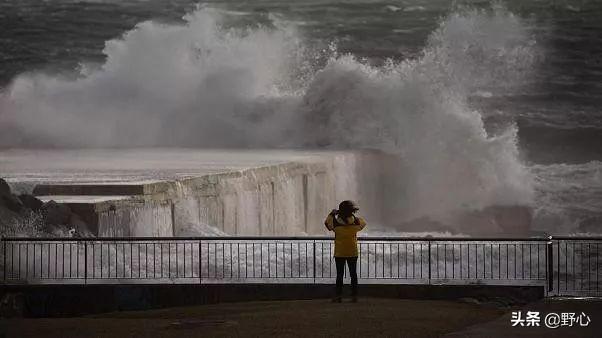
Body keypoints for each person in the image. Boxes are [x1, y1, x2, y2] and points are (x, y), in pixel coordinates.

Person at [324, 200, 366, 303]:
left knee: (339, 275)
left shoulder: (335, 223)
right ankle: (354, 296)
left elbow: (327, 223)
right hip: (353, 252)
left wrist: (332, 214)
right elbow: (363, 223)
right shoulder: (355, 223)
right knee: (353, 275)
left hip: (340, 253)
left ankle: (338, 296)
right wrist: (353, 216)